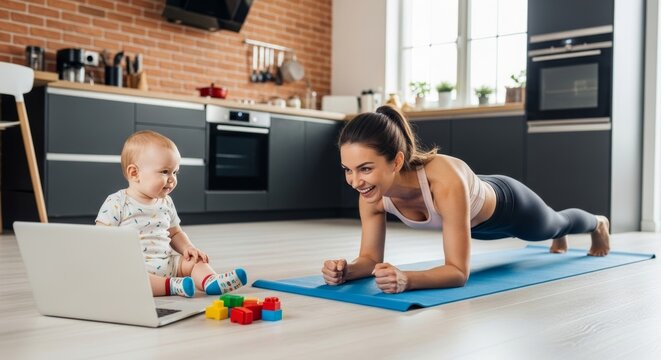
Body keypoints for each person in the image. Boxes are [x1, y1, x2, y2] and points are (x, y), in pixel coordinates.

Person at [321, 106, 610, 294]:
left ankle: (597, 223)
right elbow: (371, 259)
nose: (355, 181)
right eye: (348, 170)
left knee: (555, 224)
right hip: (474, 224)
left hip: (509, 207)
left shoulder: (443, 180)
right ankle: (558, 235)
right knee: (551, 230)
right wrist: (346, 271)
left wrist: (407, 279)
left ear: (396, 161)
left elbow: (458, 272)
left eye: (366, 168)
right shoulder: (371, 194)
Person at [96, 130, 246, 298]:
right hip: (136, 266)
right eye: (165, 171)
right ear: (134, 173)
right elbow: (101, 237)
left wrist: (188, 248)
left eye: (175, 172)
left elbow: (175, 233)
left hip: (169, 262)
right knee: (128, 278)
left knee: (194, 262)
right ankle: (171, 286)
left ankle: (210, 280)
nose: (172, 179)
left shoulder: (166, 202)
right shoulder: (117, 202)